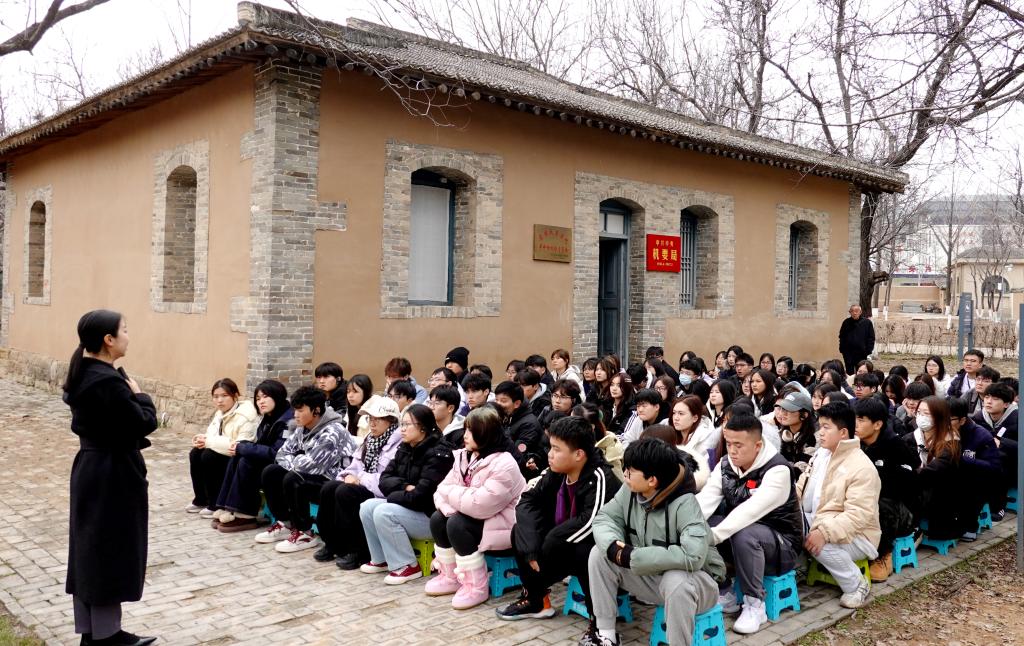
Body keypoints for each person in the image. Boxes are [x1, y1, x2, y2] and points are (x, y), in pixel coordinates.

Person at [63, 310, 159, 646]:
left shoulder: (84, 374)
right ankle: (107, 637)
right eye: (125, 330)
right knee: (107, 550)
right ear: (108, 339)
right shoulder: (106, 382)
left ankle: (93, 632)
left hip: (92, 468)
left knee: (90, 550)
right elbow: (143, 422)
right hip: (111, 474)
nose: (128, 337)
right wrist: (141, 396)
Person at [582, 438, 725, 646]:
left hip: (698, 586)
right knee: (599, 554)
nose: (625, 474)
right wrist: (613, 546)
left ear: (652, 480)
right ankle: (606, 635)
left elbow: (693, 556)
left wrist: (634, 556)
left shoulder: (685, 503)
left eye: (630, 471)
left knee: (676, 580)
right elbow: (605, 518)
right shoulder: (631, 490)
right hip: (654, 579)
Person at [496, 417, 620, 621]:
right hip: (558, 546)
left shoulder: (599, 477)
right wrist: (532, 548)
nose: (550, 454)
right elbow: (527, 501)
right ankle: (536, 601)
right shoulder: (557, 472)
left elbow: (591, 523)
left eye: (556, 449)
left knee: (586, 552)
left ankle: (600, 622)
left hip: (599, 553)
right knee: (521, 532)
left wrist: (548, 545)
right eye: (550, 447)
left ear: (578, 454)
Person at [697, 413, 803, 635]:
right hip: (741, 538)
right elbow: (705, 501)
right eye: (728, 443)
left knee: (744, 533)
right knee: (703, 525)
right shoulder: (725, 465)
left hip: (782, 546)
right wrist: (686, 526)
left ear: (757, 445)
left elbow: (749, 511)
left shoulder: (778, 470)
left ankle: (755, 604)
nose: (732, 450)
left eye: (739, 445)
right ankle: (725, 592)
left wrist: (712, 536)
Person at [426, 407, 527, 608]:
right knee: (438, 518)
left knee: (456, 524)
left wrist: (453, 497)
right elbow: (440, 490)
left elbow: (480, 506)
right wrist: (455, 505)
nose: (465, 435)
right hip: (481, 520)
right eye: (465, 429)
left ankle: (476, 586)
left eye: (471, 431)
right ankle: (450, 576)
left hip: (505, 527)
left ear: (486, 433)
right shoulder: (466, 456)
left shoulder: (504, 464)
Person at [796, 402, 881, 609]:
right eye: (820, 426)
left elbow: (857, 515)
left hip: (858, 536)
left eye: (826, 427)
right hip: (818, 520)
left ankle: (856, 585)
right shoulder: (821, 454)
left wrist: (824, 532)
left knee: (818, 543)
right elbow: (801, 487)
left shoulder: (861, 467)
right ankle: (799, 568)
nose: (820, 432)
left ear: (843, 432)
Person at [360, 404, 455, 583]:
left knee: (384, 511)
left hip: (430, 517)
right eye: (401, 424)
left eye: (407, 425)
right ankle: (381, 559)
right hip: (409, 508)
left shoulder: (438, 453)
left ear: (423, 427)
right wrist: (405, 487)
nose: (402, 429)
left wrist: (394, 494)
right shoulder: (405, 447)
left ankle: (408, 566)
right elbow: (384, 480)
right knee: (367, 507)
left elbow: (421, 497)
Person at [255, 386, 354, 553]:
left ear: (316, 410)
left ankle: (305, 533)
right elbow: (281, 454)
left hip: (333, 484)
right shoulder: (302, 427)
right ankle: (286, 524)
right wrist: (299, 460)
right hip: (312, 477)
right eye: (295, 410)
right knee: (271, 471)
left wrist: (296, 460)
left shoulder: (333, 432)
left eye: (300, 410)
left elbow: (312, 467)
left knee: (294, 478)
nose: (295, 415)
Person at [314, 395, 402, 569]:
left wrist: (360, 479)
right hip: (362, 485)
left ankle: (357, 550)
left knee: (346, 492)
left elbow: (387, 480)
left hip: (380, 492)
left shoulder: (398, 444)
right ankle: (332, 543)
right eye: (370, 419)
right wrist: (347, 476)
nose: (372, 424)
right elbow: (354, 466)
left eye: (378, 419)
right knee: (329, 487)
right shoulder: (371, 439)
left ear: (391, 421)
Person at [909, 397, 998, 541]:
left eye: (949, 420)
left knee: (966, 485)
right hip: (946, 479)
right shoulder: (932, 433)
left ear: (962, 420)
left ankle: (968, 524)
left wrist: (962, 459)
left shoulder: (979, 436)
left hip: (975, 480)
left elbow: (993, 468)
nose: (943, 423)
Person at [852, 398, 919, 581]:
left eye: (861, 420)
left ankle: (883, 554)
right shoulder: (855, 443)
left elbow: (907, 486)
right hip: (864, 500)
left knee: (882, 504)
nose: (855, 424)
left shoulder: (894, 446)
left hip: (899, 509)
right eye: (854, 418)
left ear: (877, 424)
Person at [214, 380, 294, 532]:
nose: (261, 402)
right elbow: (262, 444)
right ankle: (227, 507)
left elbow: (277, 453)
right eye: (257, 398)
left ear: (277, 396)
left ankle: (245, 514)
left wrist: (244, 448)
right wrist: (242, 446)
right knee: (238, 456)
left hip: (285, 465)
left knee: (247, 461)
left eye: (265, 397)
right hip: (271, 461)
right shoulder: (269, 416)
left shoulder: (288, 421)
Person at [187, 378, 258, 518]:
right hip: (223, 452)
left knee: (209, 456)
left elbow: (238, 445)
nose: (219, 400)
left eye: (224, 396)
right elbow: (211, 434)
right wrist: (201, 440)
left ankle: (216, 504)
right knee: (196, 453)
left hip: (239, 457)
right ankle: (202, 499)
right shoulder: (220, 413)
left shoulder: (247, 415)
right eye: (216, 397)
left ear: (235, 396)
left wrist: (208, 441)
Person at [970, 384, 1017, 522]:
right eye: (987, 397)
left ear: (1006, 404)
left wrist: (1002, 443)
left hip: (1013, 464)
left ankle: (998, 507)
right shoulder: (979, 418)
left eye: (995, 399)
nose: (989, 401)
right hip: (986, 461)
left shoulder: (1017, 418)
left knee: (999, 460)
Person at [494, 380, 545, 479]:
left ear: (517, 403)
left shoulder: (528, 424)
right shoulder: (508, 415)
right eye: (496, 400)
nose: (498, 404)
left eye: (503, 401)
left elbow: (517, 453)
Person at [573, 403, 625, 481]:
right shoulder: (572, 441)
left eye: (574, 422)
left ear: (591, 427)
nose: (569, 424)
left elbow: (617, 481)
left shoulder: (609, 450)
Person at [838, 304, 875, 375]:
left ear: (860, 312)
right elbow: (841, 337)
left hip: (862, 353)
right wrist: (842, 349)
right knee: (849, 372)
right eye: (852, 311)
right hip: (848, 353)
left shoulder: (867, 323)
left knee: (861, 371)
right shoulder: (846, 322)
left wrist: (868, 350)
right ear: (850, 312)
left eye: (856, 311)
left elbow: (871, 337)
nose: (854, 313)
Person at [429, 385, 466, 450]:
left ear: (450, 408)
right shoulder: (426, 429)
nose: (431, 407)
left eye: (437, 403)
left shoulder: (462, 435)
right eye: (430, 403)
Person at [343, 374, 373, 439]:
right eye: (348, 392)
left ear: (366, 392)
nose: (350, 395)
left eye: (355, 392)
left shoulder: (373, 411)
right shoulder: (351, 410)